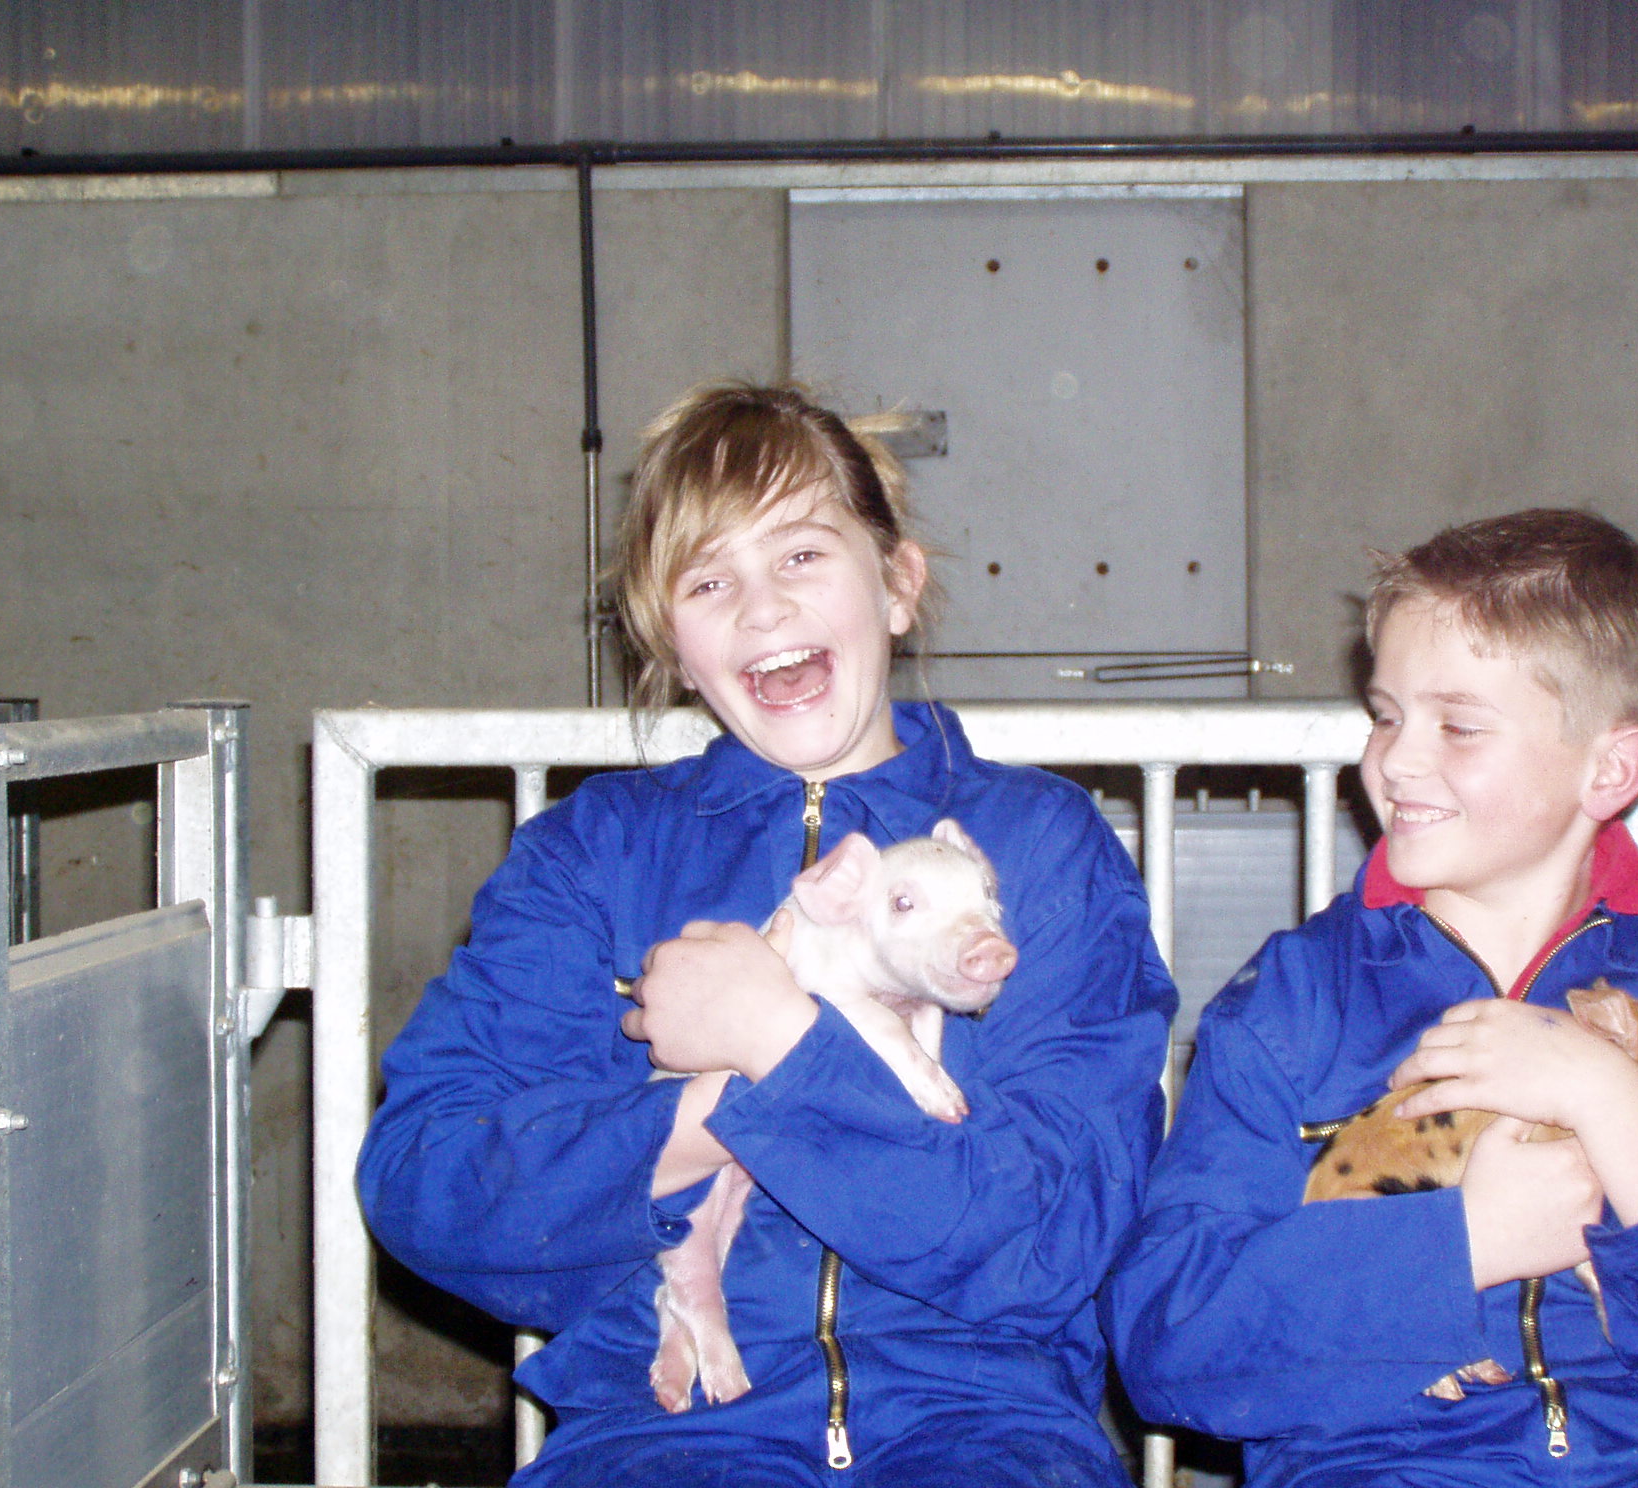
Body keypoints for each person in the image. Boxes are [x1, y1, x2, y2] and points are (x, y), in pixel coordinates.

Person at [358, 382, 1177, 1486]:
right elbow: (429, 1181)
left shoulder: (1041, 848)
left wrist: (781, 1041)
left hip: (982, 1421)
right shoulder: (589, 857)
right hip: (663, 1425)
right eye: (707, 580)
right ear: (670, 643)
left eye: (799, 555)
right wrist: (706, 1110)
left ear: (897, 583)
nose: (759, 608)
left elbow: (1055, 1238)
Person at [1100, 509, 1638, 1487]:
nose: (1394, 760)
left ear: (1610, 769)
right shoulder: (1298, 998)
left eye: (1457, 725)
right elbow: (1170, 1341)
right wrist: (1465, 1241)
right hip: (1384, 1462)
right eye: (1385, 714)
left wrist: (1611, 1101)